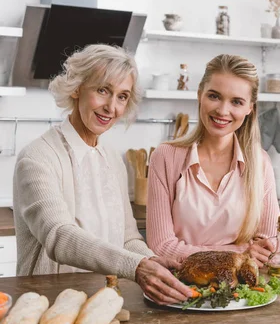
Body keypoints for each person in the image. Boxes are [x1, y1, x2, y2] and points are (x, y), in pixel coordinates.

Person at [13, 44, 192, 305]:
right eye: (102, 90)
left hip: (102, 303)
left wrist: (151, 261)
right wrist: (137, 266)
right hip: (45, 306)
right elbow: (59, 236)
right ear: (77, 88)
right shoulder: (38, 157)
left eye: (122, 96)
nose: (111, 107)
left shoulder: (112, 158)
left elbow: (127, 237)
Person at [147, 54, 279, 267]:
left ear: (250, 108)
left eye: (236, 101)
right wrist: (241, 253)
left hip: (243, 291)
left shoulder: (260, 162)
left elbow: (271, 243)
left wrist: (198, 253)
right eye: (214, 96)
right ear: (200, 95)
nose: (222, 110)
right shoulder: (166, 157)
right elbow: (161, 246)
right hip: (181, 288)